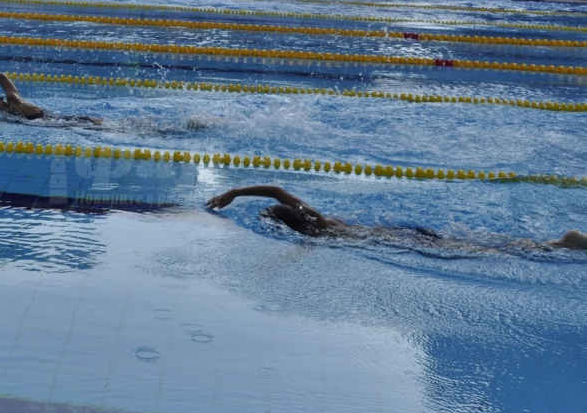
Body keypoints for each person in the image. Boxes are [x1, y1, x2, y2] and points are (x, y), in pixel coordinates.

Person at [205, 184, 587, 251]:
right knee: (477, 244)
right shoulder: (318, 217)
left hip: (400, 242)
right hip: (400, 232)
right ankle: (556, 243)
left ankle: (558, 244)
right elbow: (275, 191)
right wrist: (235, 193)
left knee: (482, 250)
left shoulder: (319, 235)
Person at [0, 73, 102, 125]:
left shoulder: (14, 101)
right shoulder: (7, 113)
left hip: (71, 121)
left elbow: (1, 76)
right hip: (64, 123)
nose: (2, 98)